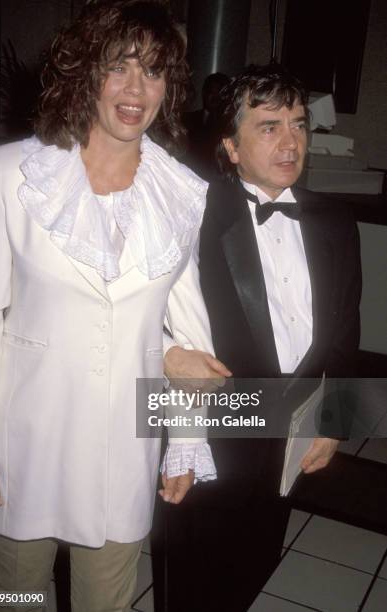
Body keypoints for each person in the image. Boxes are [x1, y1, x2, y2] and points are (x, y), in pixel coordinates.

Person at [0, 2, 231, 610]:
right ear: (84, 73)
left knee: (108, 602)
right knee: (15, 597)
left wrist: (187, 441)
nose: (135, 88)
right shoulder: (10, 174)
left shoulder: (182, 192)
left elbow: (190, 339)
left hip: (124, 442)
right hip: (25, 440)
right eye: (118, 66)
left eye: (153, 71)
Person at [153, 64, 362, 612]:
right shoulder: (190, 217)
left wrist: (333, 423)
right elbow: (139, 317)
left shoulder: (336, 221)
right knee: (192, 581)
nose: (291, 142)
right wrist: (169, 360)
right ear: (231, 146)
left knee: (254, 563)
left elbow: (344, 336)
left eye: (298, 124)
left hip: (290, 435)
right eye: (269, 126)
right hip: (212, 430)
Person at [183, 72, 230, 180]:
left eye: (219, 93)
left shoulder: (230, 125)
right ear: (204, 93)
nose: (215, 97)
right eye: (211, 92)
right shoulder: (186, 120)